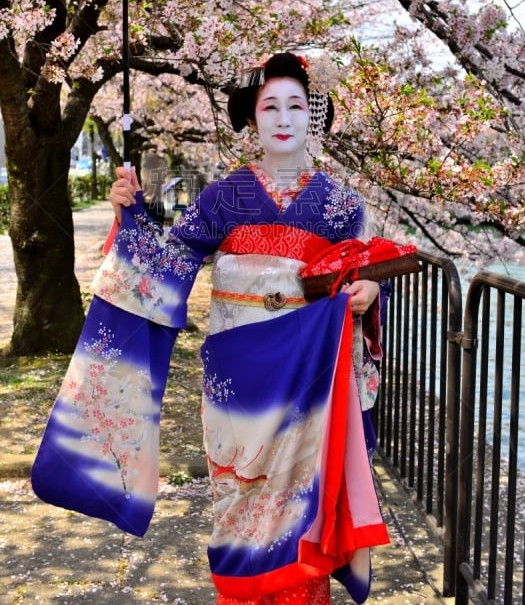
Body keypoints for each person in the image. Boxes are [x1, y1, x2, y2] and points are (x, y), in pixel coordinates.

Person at [31, 52, 391, 605]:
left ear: (313, 115)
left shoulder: (341, 205)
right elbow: (168, 259)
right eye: (270, 106)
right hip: (235, 376)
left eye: (297, 105)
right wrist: (132, 214)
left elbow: (360, 271)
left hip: (306, 377)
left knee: (301, 502)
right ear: (252, 118)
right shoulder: (223, 196)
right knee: (236, 495)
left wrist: (368, 293)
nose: (284, 118)